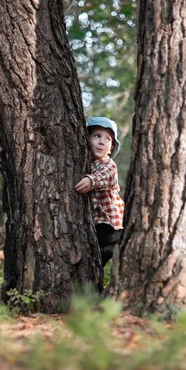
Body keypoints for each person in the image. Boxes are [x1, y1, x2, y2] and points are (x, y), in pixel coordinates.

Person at [75, 117, 125, 292]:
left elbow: (106, 176)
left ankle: (105, 290)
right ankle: (96, 291)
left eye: (108, 139)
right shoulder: (84, 163)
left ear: (111, 148)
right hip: (98, 224)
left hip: (111, 225)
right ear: (86, 139)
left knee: (102, 257)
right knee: (94, 259)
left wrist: (90, 180)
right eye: (97, 136)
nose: (102, 142)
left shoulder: (108, 164)